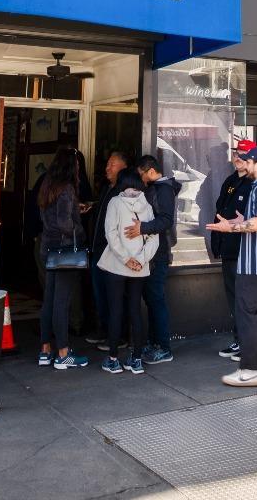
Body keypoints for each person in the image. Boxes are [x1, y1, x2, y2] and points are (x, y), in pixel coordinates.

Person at [208, 144, 257, 387]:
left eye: (249, 160)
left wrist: (230, 227)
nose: (245, 163)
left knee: (246, 315)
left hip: (256, 263)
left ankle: (250, 370)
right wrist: (243, 221)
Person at [98, 166, 158, 374]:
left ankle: (113, 359)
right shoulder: (146, 204)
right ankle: (137, 359)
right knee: (135, 311)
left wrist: (126, 259)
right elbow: (154, 236)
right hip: (139, 268)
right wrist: (140, 260)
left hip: (116, 265)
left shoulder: (115, 202)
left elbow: (110, 233)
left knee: (116, 310)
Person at [126, 154, 179, 364]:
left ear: (150, 171)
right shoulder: (155, 188)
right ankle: (153, 342)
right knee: (150, 299)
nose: (141, 179)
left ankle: (164, 347)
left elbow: (165, 220)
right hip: (150, 253)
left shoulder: (163, 189)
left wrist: (143, 228)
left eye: (142, 174)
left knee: (156, 300)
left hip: (159, 253)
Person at [37, 152, 89, 370]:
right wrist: (80, 229)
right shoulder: (67, 188)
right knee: (62, 301)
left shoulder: (48, 186)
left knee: (49, 300)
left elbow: (49, 217)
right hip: (64, 250)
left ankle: (45, 350)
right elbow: (64, 224)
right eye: (76, 165)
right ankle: (63, 353)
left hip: (48, 247)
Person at [211, 139, 256, 359]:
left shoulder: (255, 183)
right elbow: (220, 210)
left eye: (243, 154)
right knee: (234, 298)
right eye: (237, 153)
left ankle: (253, 345)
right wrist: (216, 241)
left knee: (246, 300)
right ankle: (240, 341)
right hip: (228, 249)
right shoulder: (230, 180)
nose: (238, 157)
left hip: (245, 251)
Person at [87, 150, 130, 350]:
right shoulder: (107, 188)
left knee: (114, 296)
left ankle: (118, 336)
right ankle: (104, 330)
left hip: (113, 253)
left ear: (123, 167)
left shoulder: (123, 192)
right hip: (97, 250)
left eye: (111, 165)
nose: (106, 168)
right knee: (99, 294)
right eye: (107, 164)